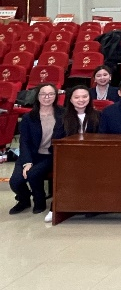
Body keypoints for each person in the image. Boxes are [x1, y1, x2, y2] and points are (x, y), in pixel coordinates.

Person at [9, 83, 60, 214]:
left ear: (56, 96)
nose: (47, 97)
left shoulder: (63, 114)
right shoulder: (29, 117)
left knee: (33, 174)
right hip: (31, 154)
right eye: (43, 94)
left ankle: (39, 201)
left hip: (50, 155)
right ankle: (24, 200)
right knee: (15, 181)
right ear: (37, 96)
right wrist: (27, 162)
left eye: (51, 94)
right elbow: (24, 141)